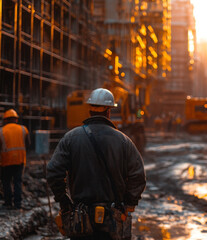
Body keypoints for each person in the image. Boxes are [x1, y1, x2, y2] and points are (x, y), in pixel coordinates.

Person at [47, 88, 146, 239]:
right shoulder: (124, 141)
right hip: (113, 219)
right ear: (109, 111)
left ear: (89, 110)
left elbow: (54, 172)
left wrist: (64, 201)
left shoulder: (70, 138)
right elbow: (138, 176)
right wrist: (128, 204)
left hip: (81, 219)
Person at [0, 109, 30, 210]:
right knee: (18, 181)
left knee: (6, 182)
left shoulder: (1, 131)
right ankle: (18, 204)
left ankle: (8, 203)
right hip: (20, 160)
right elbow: (28, 144)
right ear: (16, 119)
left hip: (6, 161)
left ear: (5, 120)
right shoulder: (23, 129)